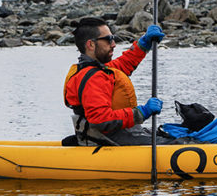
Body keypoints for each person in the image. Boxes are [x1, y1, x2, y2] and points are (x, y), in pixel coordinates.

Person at [63, 17, 166, 146]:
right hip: (107, 139)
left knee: (171, 132)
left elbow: (123, 65)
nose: (113, 44)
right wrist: (140, 112)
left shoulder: (96, 70)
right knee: (178, 142)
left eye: (113, 38)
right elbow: (100, 120)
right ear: (91, 44)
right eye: (108, 40)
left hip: (114, 135)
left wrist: (143, 44)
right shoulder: (93, 78)